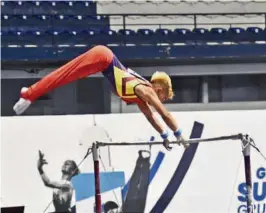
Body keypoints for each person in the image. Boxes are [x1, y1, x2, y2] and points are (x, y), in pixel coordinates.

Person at [13, 45, 188, 150]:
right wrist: (179, 134)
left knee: (65, 77)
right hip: (103, 58)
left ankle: (29, 93)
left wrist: (164, 136)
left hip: (102, 63)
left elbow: (152, 118)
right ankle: (28, 94)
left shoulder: (141, 98)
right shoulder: (146, 90)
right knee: (65, 74)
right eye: (164, 97)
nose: (163, 101)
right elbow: (164, 114)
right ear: (158, 89)